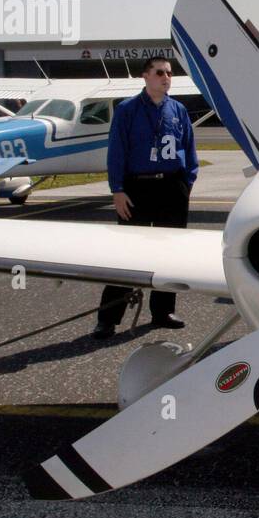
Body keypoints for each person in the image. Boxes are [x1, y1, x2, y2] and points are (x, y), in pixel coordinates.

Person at [92, 56, 198, 339]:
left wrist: (186, 183)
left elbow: (189, 147)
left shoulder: (178, 110)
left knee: (169, 254)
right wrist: (117, 190)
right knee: (128, 253)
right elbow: (116, 151)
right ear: (146, 76)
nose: (166, 77)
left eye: (169, 73)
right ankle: (108, 318)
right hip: (137, 188)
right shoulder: (127, 110)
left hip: (171, 188)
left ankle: (163, 311)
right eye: (160, 72)